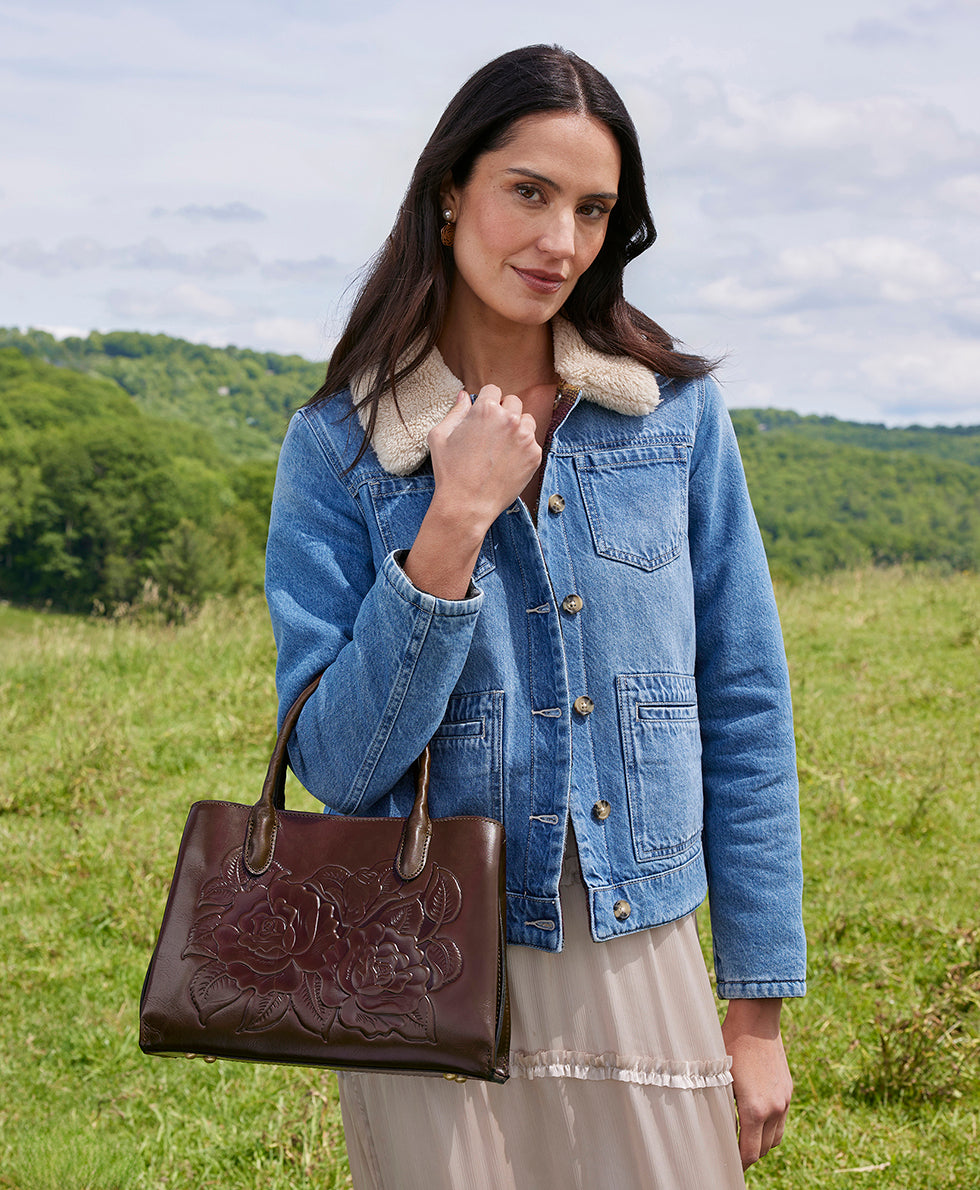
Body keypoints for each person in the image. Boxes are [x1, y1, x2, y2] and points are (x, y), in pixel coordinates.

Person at [265, 44, 805, 1189]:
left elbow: (744, 700)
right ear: (451, 188)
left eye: (593, 208)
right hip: (421, 957)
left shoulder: (672, 419)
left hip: (632, 933)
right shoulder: (336, 447)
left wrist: (754, 1012)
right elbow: (337, 763)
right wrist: (450, 520)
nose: (559, 240)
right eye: (529, 192)